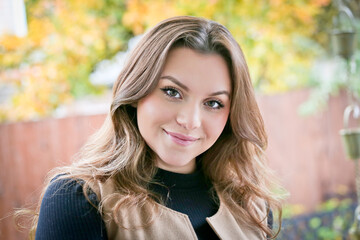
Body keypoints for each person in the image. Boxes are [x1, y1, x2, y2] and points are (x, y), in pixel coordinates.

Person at [28, 16, 282, 239]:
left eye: (214, 103)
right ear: (137, 90)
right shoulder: (80, 199)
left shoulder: (251, 207)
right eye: (172, 92)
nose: (190, 120)